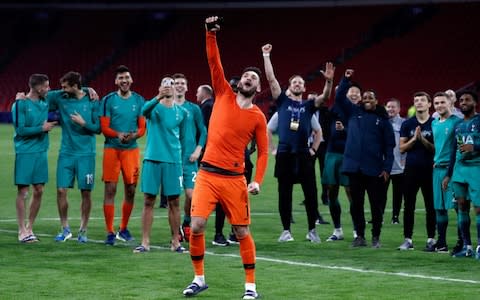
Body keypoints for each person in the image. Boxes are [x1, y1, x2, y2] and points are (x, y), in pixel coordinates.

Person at [182, 17, 268, 300]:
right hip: (207, 174)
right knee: (196, 225)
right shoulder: (222, 93)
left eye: (254, 78)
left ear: (258, 88)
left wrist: (256, 180)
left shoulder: (258, 117)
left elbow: (265, 151)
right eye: (246, 75)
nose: (248, 78)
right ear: (240, 81)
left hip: (234, 179)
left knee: (241, 231)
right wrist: (210, 34)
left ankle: (251, 288)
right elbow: (213, 62)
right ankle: (198, 279)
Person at [262, 43, 334, 243]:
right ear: (289, 86)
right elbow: (271, 79)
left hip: (304, 154)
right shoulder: (282, 102)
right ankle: (286, 231)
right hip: (284, 153)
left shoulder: (309, 106)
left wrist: (328, 82)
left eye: (300, 82)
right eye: (294, 82)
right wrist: (266, 55)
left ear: (304, 87)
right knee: (284, 194)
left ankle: (312, 230)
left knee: (311, 193)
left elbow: (325, 97)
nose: (297, 84)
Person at [335, 69, 395, 248]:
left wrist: (387, 169)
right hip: (354, 168)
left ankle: (376, 236)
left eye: (371, 98)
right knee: (356, 205)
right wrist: (345, 80)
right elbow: (339, 98)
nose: (367, 100)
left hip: (375, 169)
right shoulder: (353, 113)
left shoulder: (383, 121)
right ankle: (359, 236)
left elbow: (389, 148)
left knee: (376, 206)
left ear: (377, 101)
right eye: (365, 97)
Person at [134, 76, 187, 253]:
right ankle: (145, 242)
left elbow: (185, 139)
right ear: (160, 87)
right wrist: (157, 97)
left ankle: (175, 242)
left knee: (174, 202)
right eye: (165, 83)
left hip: (173, 160)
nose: (169, 86)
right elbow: (143, 110)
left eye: (171, 84)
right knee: (149, 200)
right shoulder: (154, 108)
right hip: (152, 158)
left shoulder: (181, 112)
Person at [47, 71, 101, 243]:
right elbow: (40, 95)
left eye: (65, 86)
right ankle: (65, 228)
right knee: (61, 190)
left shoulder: (92, 101)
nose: (61, 89)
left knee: (86, 192)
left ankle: (83, 230)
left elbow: (98, 128)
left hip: (86, 154)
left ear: (74, 86)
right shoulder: (60, 97)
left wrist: (83, 123)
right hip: (66, 153)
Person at [99, 65, 146, 245]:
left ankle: (123, 228)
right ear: (116, 81)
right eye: (121, 78)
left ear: (131, 80)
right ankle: (110, 231)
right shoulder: (108, 100)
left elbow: (142, 128)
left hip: (131, 151)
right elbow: (104, 127)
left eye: (127, 77)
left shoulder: (139, 100)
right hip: (112, 149)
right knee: (110, 189)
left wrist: (133, 135)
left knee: (131, 190)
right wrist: (118, 135)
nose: (124, 81)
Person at [12, 74, 56, 243]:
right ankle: (21, 230)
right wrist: (42, 128)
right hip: (25, 152)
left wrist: (89, 89)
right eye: (46, 86)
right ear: (38, 88)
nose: (49, 88)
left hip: (41, 151)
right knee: (23, 192)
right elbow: (21, 130)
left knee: (39, 190)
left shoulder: (45, 102)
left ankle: (30, 227)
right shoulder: (20, 104)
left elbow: (64, 93)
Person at [322, 81, 362, 241]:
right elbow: (325, 124)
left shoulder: (360, 111)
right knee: (332, 192)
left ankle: (356, 229)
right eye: (351, 91)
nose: (353, 94)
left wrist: (344, 130)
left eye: (356, 92)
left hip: (350, 155)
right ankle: (337, 230)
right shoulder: (336, 109)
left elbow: (360, 135)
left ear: (360, 96)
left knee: (351, 192)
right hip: (333, 153)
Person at [397, 91, 436, 251]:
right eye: (416, 100)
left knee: (430, 206)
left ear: (429, 104)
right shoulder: (407, 124)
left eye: (422, 100)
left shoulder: (435, 123)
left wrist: (423, 140)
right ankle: (408, 239)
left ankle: (431, 239)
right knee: (409, 206)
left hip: (430, 169)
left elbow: (436, 149)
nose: (419, 103)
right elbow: (401, 148)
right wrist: (414, 139)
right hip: (411, 170)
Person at [172, 73, 207, 243]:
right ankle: (177, 230)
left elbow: (204, 131)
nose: (179, 85)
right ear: (172, 86)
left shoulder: (194, 108)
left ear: (186, 87)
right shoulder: (167, 108)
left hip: (189, 159)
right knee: (174, 198)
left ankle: (186, 223)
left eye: (182, 83)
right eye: (176, 83)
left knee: (192, 195)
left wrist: (198, 150)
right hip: (172, 159)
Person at [448, 90, 479, 258]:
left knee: (478, 208)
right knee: (461, 206)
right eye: (461, 100)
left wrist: (475, 147)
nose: (463, 102)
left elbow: (473, 145)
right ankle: (467, 247)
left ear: (475, 103)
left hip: (476, 168)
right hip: (459, 170)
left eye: (467, 99)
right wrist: (447, 175)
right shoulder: (458, 125)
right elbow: (453, 151)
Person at [431, 92, 462, 253]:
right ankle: (441, 242)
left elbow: (457, 149)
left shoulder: (457, 122)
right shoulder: (435, 123)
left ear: (450, 103)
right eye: (436, 103)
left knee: (458, 207)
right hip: (437, 170)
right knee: (440, 208)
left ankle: (462, 242)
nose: (439, 105)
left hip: (452, 170)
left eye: (442, 102)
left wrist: (450, 173)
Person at [384, 98, 406, 224]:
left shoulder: (404, 123)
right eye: (388, 107)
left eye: (393, 107)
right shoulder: (382, 122)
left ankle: (395, 217)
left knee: (398, 193)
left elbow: (407, 142)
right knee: (381, 193)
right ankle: (379, 216)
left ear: (398, 109)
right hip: (385, 165)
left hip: (399, 165)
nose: (391, 109)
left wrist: (405, 159)